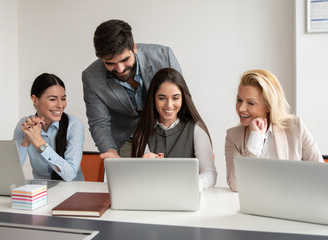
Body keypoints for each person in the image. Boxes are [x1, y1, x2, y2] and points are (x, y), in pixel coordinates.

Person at [82, 19, 182, 159]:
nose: (120, 69)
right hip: (126, 139)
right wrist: (110, 151)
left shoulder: (163, 57)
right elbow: (99, 123)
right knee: (130, 180)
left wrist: (193, 142)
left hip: (166, 133)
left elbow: (181, 102)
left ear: (134, 48)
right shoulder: (91, 77)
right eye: (110, 63)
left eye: (124, 60)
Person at [225, 69, 323, 192]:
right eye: (239, 100)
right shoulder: (233, 136)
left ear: (268, 106)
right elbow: (236, 185)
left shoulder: (296, 127)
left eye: (251, 103)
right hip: (253, 206)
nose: (241, 108)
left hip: (292, 203)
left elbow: (321, 174)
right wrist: (255, 140)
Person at [132, 68, 217, 191]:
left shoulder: (196, 129)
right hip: (154, 197)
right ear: (153, 99)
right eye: (162, 98)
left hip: (188, 196)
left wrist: (194, 185)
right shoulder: (142, 131)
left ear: (183, 98)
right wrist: (147, 164)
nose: (169, 105)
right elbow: (140, 180)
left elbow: (210, 173)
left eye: (175, 98)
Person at [13, 73, 85, 182]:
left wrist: (39, 142)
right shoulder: (24, 125)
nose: (60, 105)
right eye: (52, 99)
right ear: (35, 99)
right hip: (40, 192)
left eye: (63, 99)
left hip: (73, 191)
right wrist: (27, 138)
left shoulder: (74, 125)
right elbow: (13, 169)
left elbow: (69, 175)